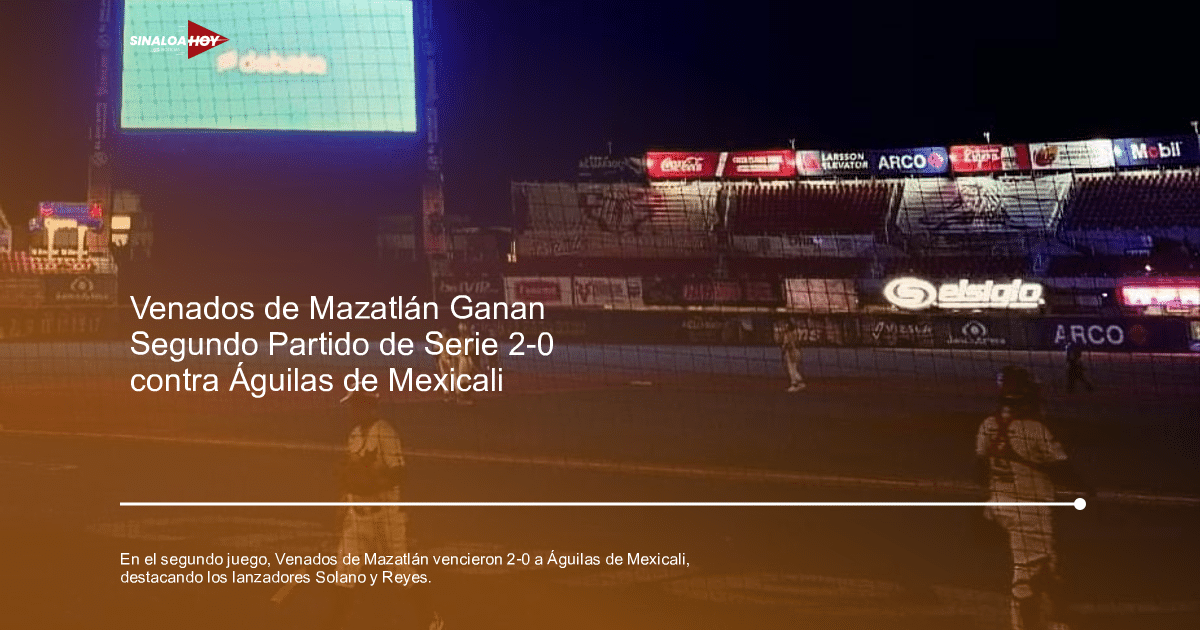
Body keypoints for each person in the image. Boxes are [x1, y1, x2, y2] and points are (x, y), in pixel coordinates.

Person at [976, 366, 1088, 630]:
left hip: (999, 505)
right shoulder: (1034, 429)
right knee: (1028, 577)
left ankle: (1059, 620)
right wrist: (1088, 491)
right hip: (1029, 513)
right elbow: (1063, 468)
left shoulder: (989, 424)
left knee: (1048, 570)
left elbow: (980, 467)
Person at [328, 391, 444, 630]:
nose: (351, 412)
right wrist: (343, 506)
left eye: (355, 407)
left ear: (367, 408)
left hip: (385, 517)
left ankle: (432, 619)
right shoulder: (354, 435)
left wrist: (370, 484)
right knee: (343, 573)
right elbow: (351, 476)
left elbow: (399, 473)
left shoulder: (385, 432)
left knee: (400, 569)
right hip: (356, 518)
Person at [779, 320, 806, 392]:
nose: (785, 327)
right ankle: (801, 383)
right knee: (794, 369)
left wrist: (783, 351)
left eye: (786, 326)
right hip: (798, 352)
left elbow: (788, 345)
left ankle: (794, 385)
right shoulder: (796, 333)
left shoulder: (787, 335)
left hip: (791, 352)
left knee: (791, 369)